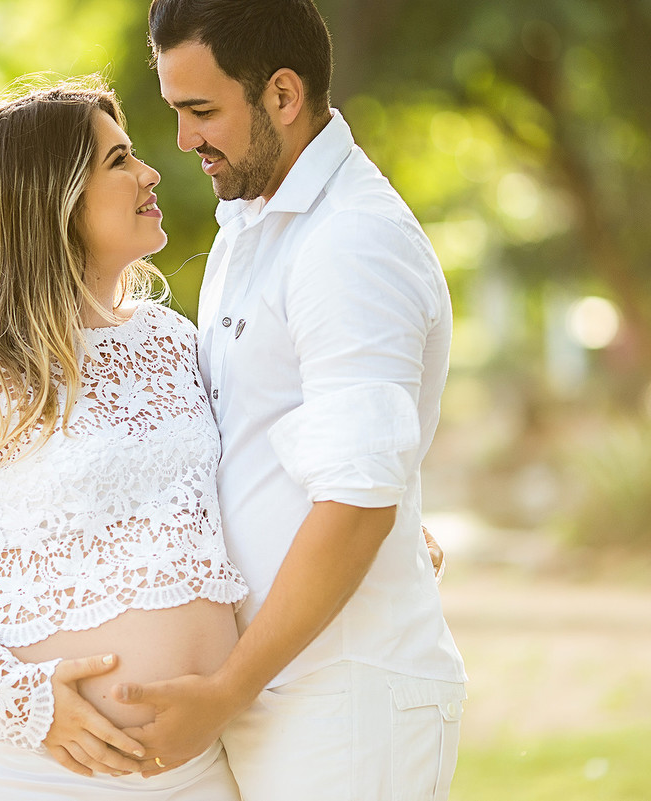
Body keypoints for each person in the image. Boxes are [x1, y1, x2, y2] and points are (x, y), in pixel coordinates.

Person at [0, 78, 248, 800]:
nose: (150, 173)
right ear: (50, 196)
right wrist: (22, 702)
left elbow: (243, 489)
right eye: (119, 160)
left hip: (191, 774)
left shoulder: (176, 341)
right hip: (24, 770)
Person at [109, 1, 469, 799]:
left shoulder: (351, 242)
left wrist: (228, 687)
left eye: (202, 111)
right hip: (277, 685)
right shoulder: (254, 220)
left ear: (281, 94)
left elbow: (358, 499)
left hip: (344, 700)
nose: (185, 141)